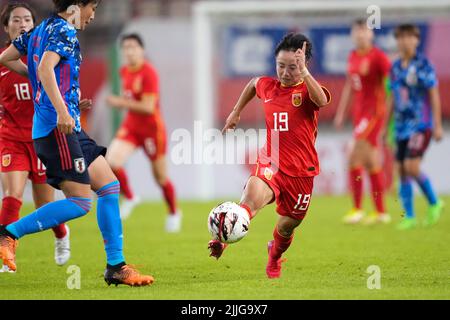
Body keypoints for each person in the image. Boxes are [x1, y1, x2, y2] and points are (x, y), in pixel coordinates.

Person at [0, 0, 153, 286]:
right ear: (75, 6)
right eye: (92, 8)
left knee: (109, 186)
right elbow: (45, 69)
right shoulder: (64, 31)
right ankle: (8, 233)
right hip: (57, 129)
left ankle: (116, 267)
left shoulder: (40, 29)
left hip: (68, 127)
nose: (93, 15)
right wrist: (59, 108)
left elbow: (8, 58)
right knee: (81, 202)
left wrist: (61, 97)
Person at [208, 33, 331, 279]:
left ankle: (274, 254)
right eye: (280, 66)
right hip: (271, 162)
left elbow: (322, 101)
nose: (285, 72)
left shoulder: (307, 90)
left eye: (293, 67)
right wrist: (235, 112)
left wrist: (304, 74)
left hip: (302, 172)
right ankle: (224, 238)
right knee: (249, 202)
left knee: (287, 226)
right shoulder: (269, 86)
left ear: (304, 65)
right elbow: (253, 83)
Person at [0, 2, 70, 273]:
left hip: (41, 139)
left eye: (27, 19)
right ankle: (7, 254)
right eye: (15, 20)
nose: (22, 24)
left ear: (34, 25)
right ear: (6, 27)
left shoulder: (44, 59)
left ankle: (62, 235)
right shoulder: (4, 60)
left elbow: (62, 88)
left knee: (45, 204)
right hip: (11, 139)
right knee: (12, 195)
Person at [106, 33, 181, 232]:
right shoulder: (123, 71)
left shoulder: (149, 72)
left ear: (142, 50)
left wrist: (119, 102)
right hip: (131, 126)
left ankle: (174, 211)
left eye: (133, 47)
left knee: (160, 178)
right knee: (111, 161)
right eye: (126, 47)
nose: (129, 51)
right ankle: (130, 197)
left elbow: (148, 107)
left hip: (151, 129)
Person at [334, 19, 392, 225]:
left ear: (371, 34)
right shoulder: (352, 56)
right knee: (371, 161)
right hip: (360, 115)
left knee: (353, 157)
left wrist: (388, 112)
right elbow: (350, 86)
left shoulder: (378, 57)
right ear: (352, 34)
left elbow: (392, 84)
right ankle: (381, 212)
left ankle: (357, 209)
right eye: (357, 31)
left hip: (374, 114)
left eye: (364, 31)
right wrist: (341, 112)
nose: (360, 35)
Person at [390, 24, 444, 230]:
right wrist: (387, 124)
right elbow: (392, 97)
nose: (404, 41)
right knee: (402, 170)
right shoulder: (395, 67)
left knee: (411, 167)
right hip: (401, 126)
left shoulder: (423, 64)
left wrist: (437, 125)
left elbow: (433, 94)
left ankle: (434, 202)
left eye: (408, 37)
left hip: (421, 125)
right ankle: (410, 216)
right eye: (400, 37)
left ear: (416, 39)